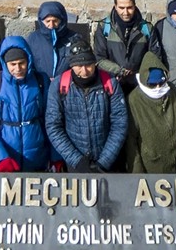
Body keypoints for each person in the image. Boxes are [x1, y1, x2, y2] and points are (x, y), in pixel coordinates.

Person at [45, 40, 128, 172]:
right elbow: (53, 126)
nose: (84, 71)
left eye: (89, 65)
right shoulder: (59, 86)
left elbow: (119, 123)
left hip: (108, 161)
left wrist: (104, 161)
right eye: (78, 65)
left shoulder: (110, 83)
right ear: (71, 65)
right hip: (75, 162)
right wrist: (76, 160)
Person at [0, 37, 52, 173]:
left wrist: (55, 157)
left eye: (21, 63)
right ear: (5, 64)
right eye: (13, 64)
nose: (18, 68)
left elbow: (51, 122)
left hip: (38, 161)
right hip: (6, 160)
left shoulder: (41, 81)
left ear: (28, 60)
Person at [123, 52, 176, 174]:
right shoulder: (134, 100)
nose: (158, 87)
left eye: (161, 83)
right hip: (152, 168)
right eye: (152, 84)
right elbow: (131, 142)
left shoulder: (172, 91)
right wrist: (138, 174)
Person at [94, 0, 163, 93]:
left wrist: (142, 75)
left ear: (135, 6)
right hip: (112, 83)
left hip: (139, 85)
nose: (125, 12)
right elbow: (99, 59)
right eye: (121, 8)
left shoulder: (146, 29)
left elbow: (155, 58)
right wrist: (119, 71)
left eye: (129, 7)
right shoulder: (104, 28)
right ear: (115, 7)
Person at [25, 1, 79, 85]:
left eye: (55, 21)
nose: (51, 25)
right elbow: (28, 63)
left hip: (66, 85)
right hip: (41, 85)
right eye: (48, 21)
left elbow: (80, 62)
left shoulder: (74, 38)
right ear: (42, 21)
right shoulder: (33, 39)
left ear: (62, 20)